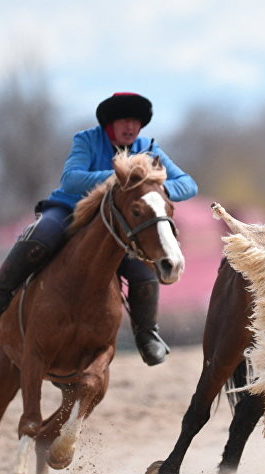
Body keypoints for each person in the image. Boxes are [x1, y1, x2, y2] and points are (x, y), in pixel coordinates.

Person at [0, 92, 198, 366]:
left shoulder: (149, 148)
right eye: (124, 121)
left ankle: (147, 334)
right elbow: (71, 180)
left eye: (136, 122)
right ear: (109, 124)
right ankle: (3, 291)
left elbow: (189, 184)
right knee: (42, 235)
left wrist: (153, 187)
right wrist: (121, 176)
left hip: (121, 223)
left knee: (144, 268)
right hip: (71, 210)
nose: (130, 127)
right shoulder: (87, 140)